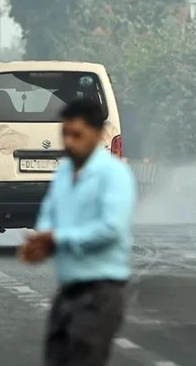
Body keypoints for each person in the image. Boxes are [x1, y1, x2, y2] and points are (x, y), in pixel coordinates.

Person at [19, 98, 136, 366]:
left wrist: (57, 239)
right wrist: (41, 240)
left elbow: (111, 228)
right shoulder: (63, 172)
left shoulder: (114, 174)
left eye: (77, 135)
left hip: (101, 294)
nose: (69, 142)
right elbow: (48, 213)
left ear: (97, 134)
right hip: (67, 292)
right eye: (65, 134)